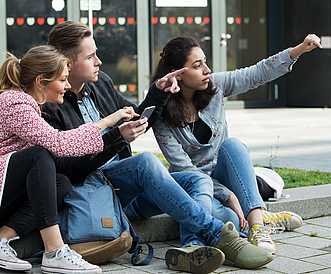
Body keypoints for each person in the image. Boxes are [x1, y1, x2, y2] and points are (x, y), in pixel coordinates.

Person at [42, 20, 276, 273]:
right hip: (92, 193)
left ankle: (192, 247)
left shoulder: (100, 84)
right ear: (66, 62)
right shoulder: (49, 102)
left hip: (128, 188)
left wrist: (158, 92)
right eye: (90, 56)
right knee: (147, 162)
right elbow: (64, 169)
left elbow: (137, 118)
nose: (99, 61)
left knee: (196, 181)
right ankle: (218, 234)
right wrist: (115, 140)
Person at [0, 45, 135, 274]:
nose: (67, 85)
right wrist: (109, 122)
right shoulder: (15, 103)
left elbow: (59, 147)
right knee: (39, 154)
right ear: (40, 82)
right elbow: (58, 144)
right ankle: (55, 250)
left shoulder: (28, 104)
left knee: (60, 183)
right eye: (63, 79)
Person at [148, 35, 321, 255]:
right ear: (178, 75)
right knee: (209, 211)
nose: (207, 70)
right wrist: (228, 196)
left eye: (205, 62)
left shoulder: (215, 86)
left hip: (224, 173)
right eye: (197, 65)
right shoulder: (161, 115)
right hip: (195, 187)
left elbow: (257, 73)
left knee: (234, 146)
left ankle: (258, 229)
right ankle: (261, 217)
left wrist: (298, 50)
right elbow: (186, 170)